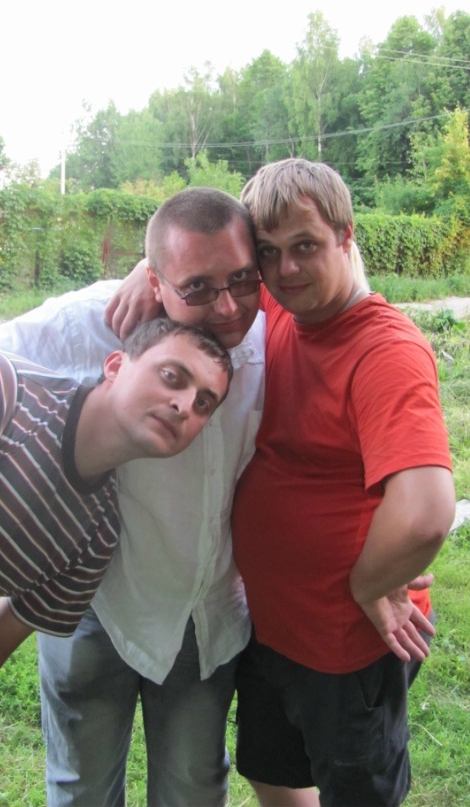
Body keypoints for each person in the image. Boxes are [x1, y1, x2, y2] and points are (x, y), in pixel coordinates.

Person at [0, 188, 312, 807]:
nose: (226, 305)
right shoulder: (90, 322)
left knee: (194, 787)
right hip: (94, 602)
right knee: (81, 785)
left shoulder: (278, 333)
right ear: (155, 281)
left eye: (242, 279)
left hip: (201, 611)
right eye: (196, 287)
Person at [0, 317, 233, 803]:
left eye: (204, 402)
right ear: (115, 365)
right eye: (172, 376)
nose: (184, 404)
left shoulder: (96, 537)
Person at [230, 158, 456, 806]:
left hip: (347, 645)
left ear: (345, 236)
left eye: (305, 246)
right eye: (268, 252)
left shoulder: (385, 351)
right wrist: (146, 270)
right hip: (272, 627)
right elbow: (196, 241)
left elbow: (424, 512)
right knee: (272, 771)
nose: (285, 269)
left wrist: (370, 583)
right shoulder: (282, 309)